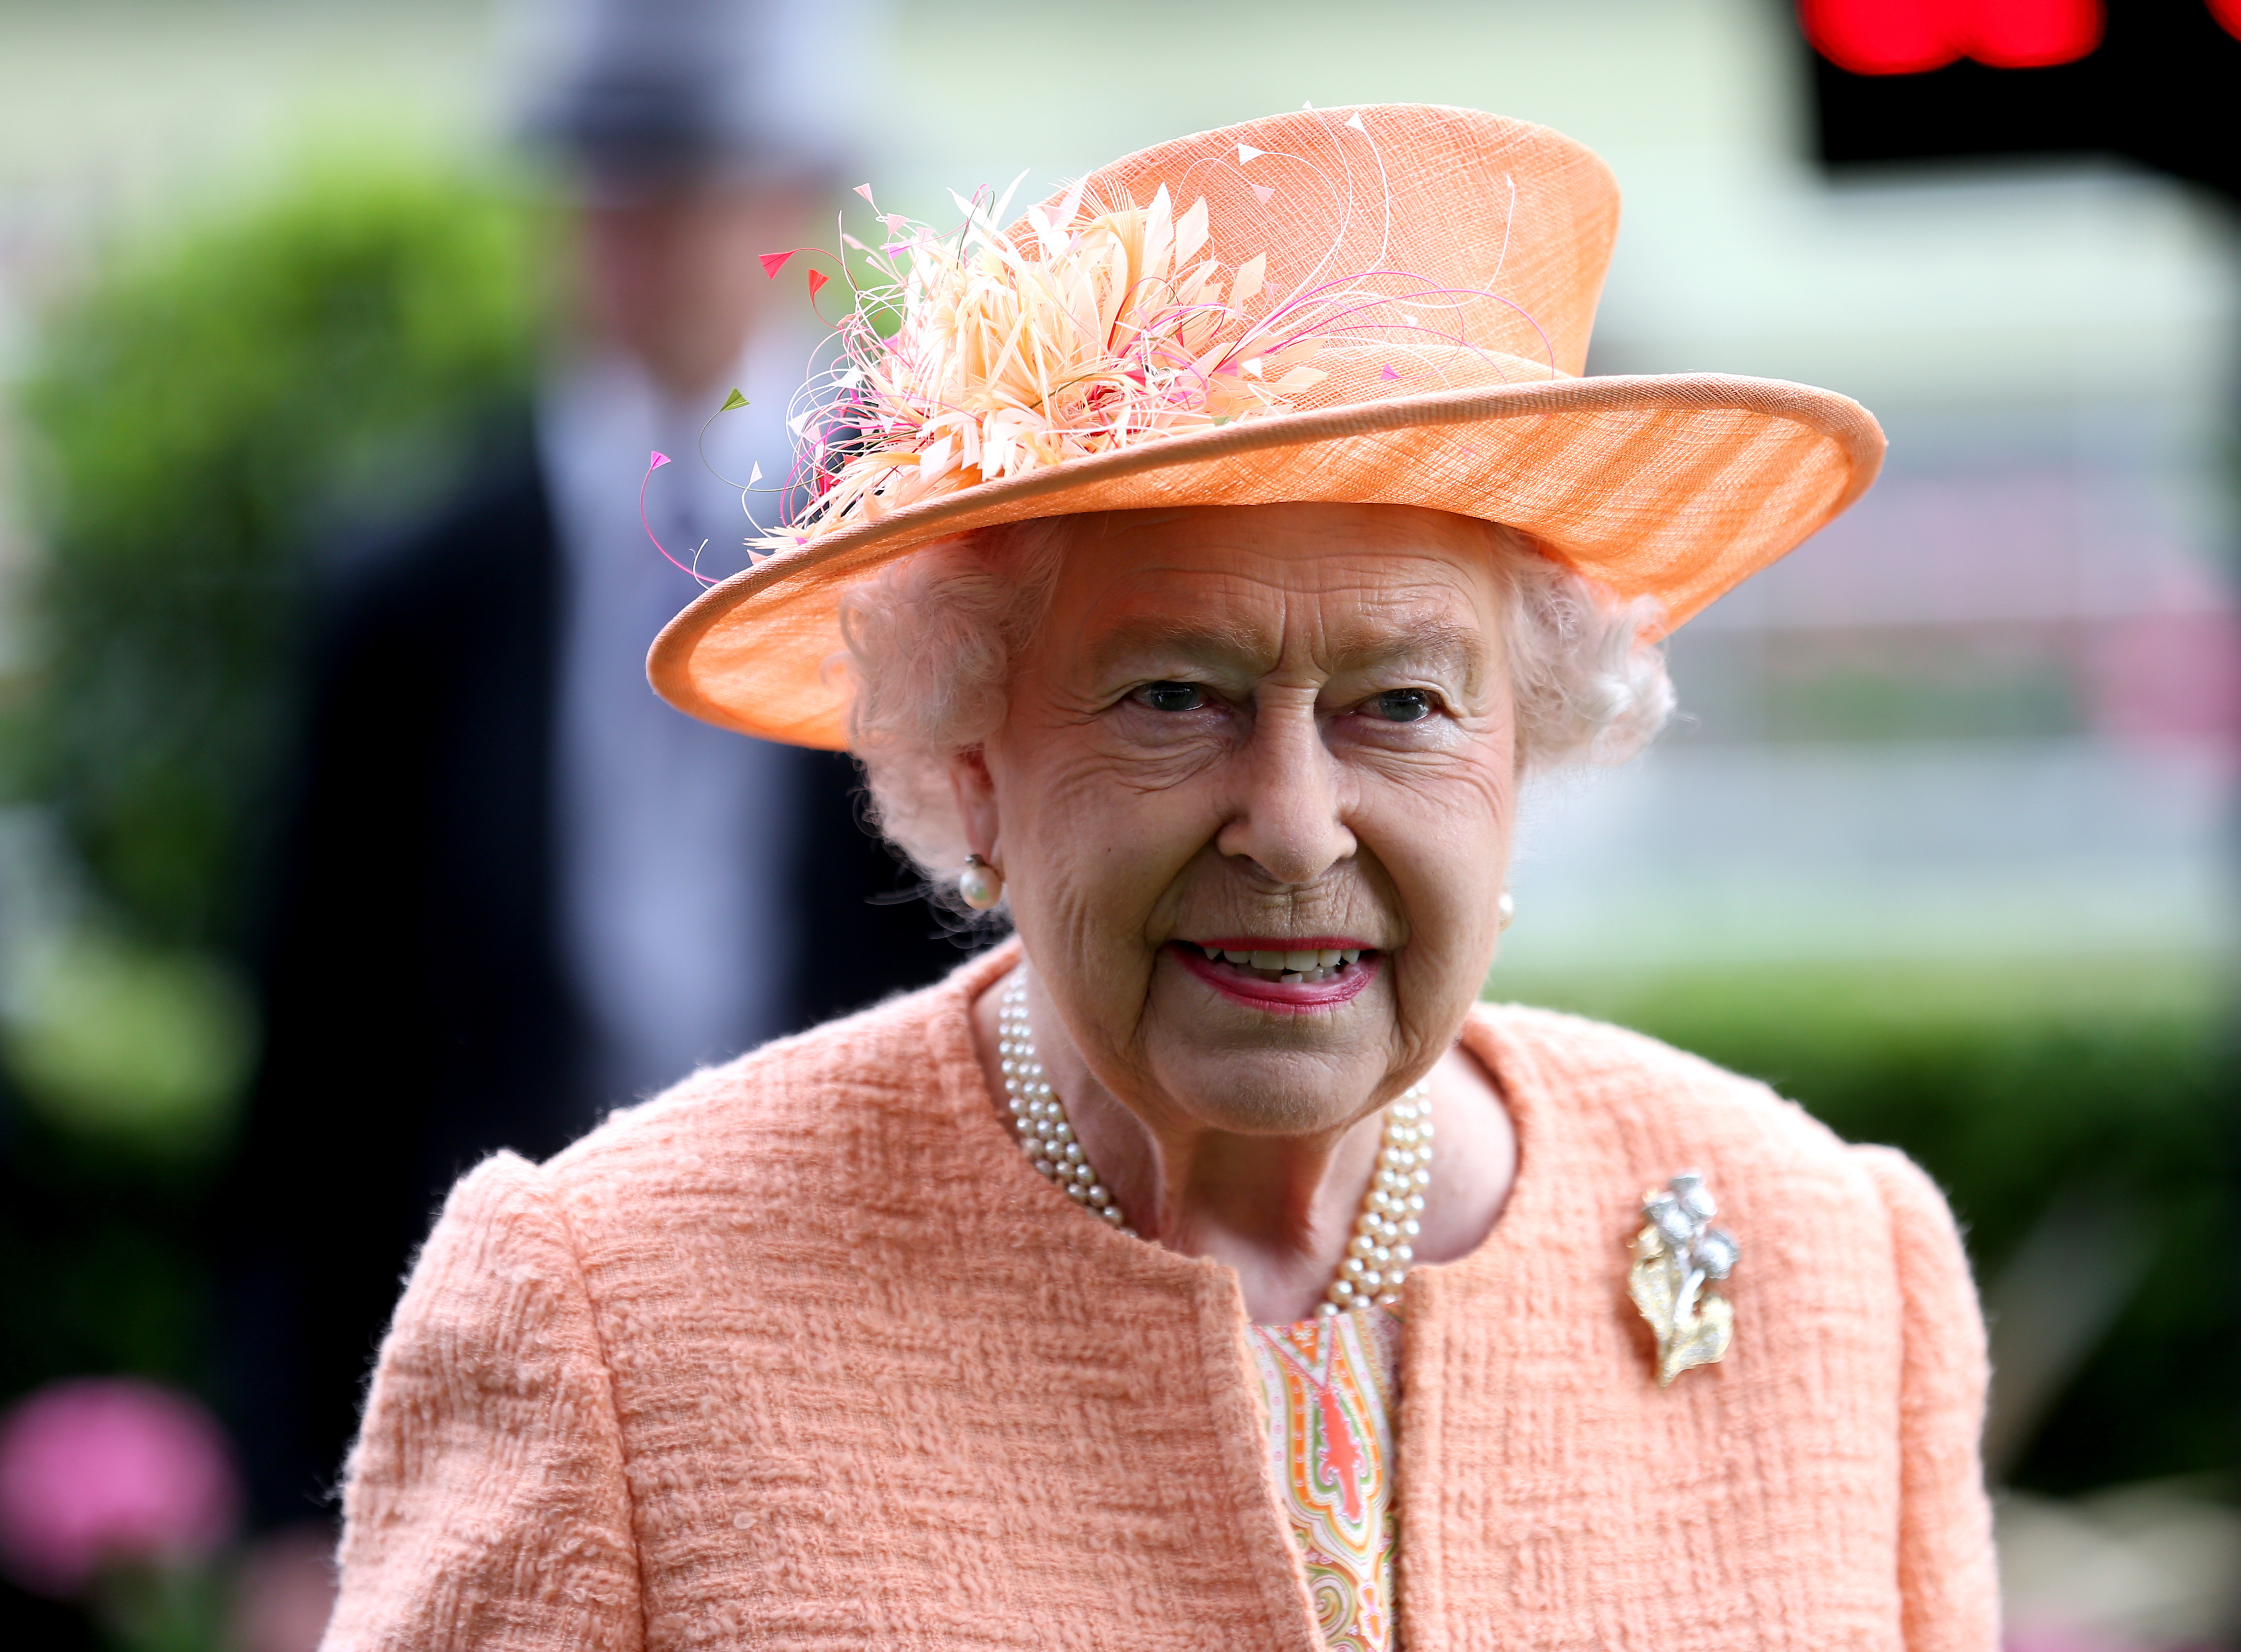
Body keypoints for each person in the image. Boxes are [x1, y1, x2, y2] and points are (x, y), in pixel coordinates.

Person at [320, 105, 1996, 1651]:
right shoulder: (615, 1317)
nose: (1294, 823)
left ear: (1525, 749)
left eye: (1402, 705)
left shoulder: (1828, 1262)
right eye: (1173, 698)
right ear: (973, 757)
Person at [223, 0, 956, 1535]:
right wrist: (290, 1507)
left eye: (695, 184)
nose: (650, 237)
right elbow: (318, 1073)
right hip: (493, 1349)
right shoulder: (415, 589)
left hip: (856, 1326)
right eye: (610, 189)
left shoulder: (923, 548)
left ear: (798, 203)